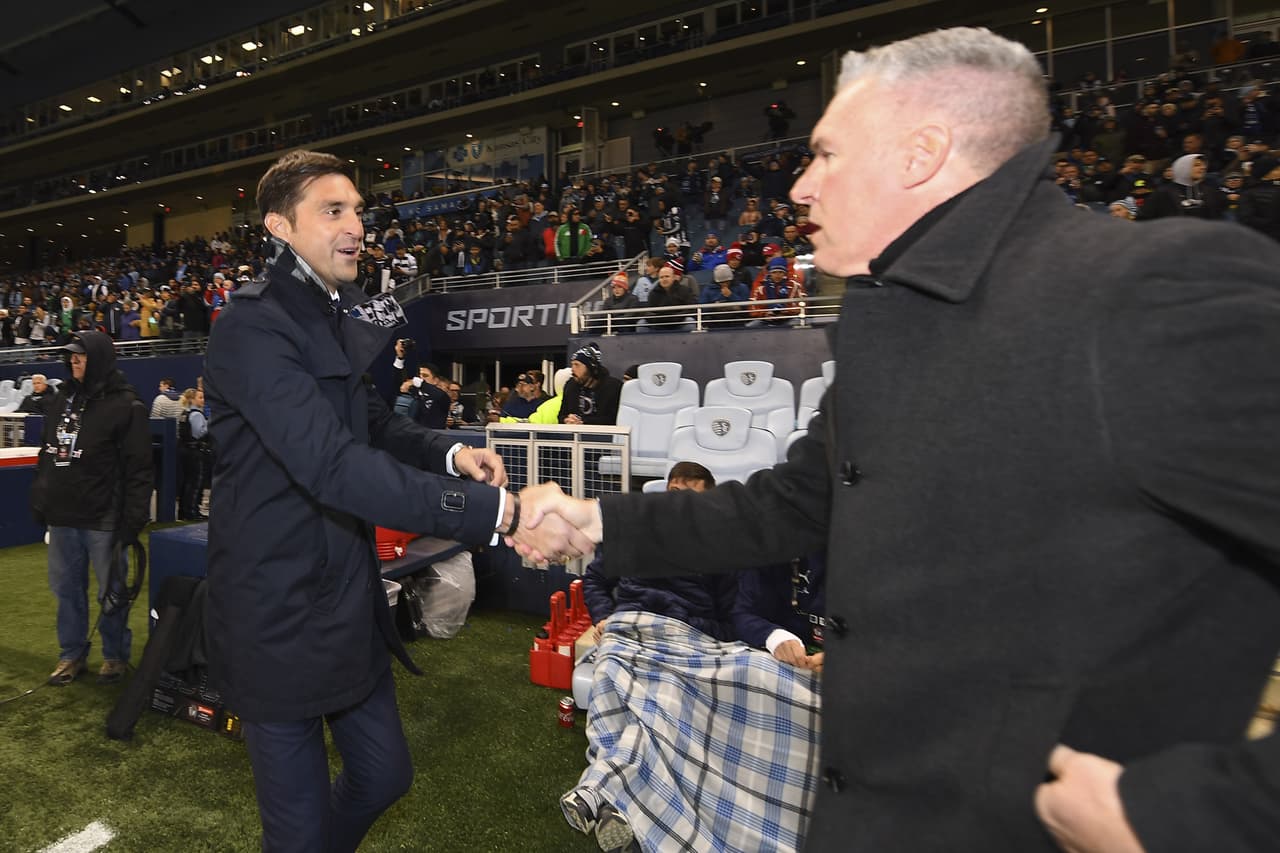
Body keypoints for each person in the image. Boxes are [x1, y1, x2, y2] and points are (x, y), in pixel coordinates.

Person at [513, 27, 1280, 853]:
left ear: (922, 153)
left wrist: (1190, 811)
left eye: (827, 154)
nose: (800, 186)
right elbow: (785, 505)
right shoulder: (891, 327)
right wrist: (596, 522)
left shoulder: (1150, 292)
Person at [204, 150, 517, 853]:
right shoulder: (250, 326)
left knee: (383, 776)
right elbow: (331, 464)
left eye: (358, 211)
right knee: (300, 833)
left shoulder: (329, 315)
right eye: (333, 210)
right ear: (280, 226)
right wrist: (490, 513)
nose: (356, 226)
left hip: (343, 600)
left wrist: (449, 450)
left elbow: (372, 423)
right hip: (276, 613)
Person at [562, 463, 820, 853]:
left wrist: (756, 640)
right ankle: (617, 800)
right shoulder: (638, 531)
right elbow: (596, 580)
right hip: (630, 629)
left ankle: (605, 792)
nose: (678, 496)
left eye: (691, 492)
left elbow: (734, 612)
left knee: (684, 690)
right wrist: (604, 617)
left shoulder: (719, 546)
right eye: (674, 487)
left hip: (693, 640)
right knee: (624, 673)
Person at [30, 331, 153, 686]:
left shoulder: (126, 405)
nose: (73, 361)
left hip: (104, 518)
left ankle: (114, 657)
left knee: (111, 593)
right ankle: (71, 656)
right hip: (63, 516)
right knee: (66, 591)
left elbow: (139, 468)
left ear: (98, 358)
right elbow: (46, 452)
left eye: (80, 356)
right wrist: (41, 497)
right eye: (70, 356)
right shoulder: (61, 399)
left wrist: (134, 518)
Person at [559, 342, 622, 426]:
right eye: (572, 364)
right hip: (575, 436)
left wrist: (583, 422)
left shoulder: (614, 387)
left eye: (577, 365)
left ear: (591, 367)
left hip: (605, 436)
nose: (572, 369)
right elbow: (561, 415)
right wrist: (566, 419)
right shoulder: (570, 385)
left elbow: (614, 418)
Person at [176, 388, 209, 521]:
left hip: (185, 450)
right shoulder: (196, 415)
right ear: (192, 400)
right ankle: (192, 511)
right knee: (195, 482)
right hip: (194, 451)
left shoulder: (185, 413)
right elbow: (198, 433)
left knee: (187, 481)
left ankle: (184, 510)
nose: (203, 400)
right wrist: (209, 424)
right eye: (200, 398)